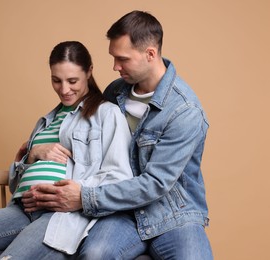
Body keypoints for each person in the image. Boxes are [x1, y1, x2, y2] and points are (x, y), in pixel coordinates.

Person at [22, 11, 213, 259]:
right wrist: (33, 150)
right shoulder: (115, 92)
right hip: (119, 212)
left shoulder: (184, 111)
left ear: (150, 54)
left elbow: (156, 184)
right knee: (95, 254)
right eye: (113, 58)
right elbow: (79, 136)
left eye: (122, 59)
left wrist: (84, 197)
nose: (114, 67)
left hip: (172, 214)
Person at [0, 41, 134, 259]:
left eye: (72, 81)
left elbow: (119, 176)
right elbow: (15, 185)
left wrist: (72, 191)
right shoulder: (46, 121)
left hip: (59, 215)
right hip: (21, 209)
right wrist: (33, 154)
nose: (64, 89)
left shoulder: (106, 114)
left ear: (89, 72)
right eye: (56, 81)